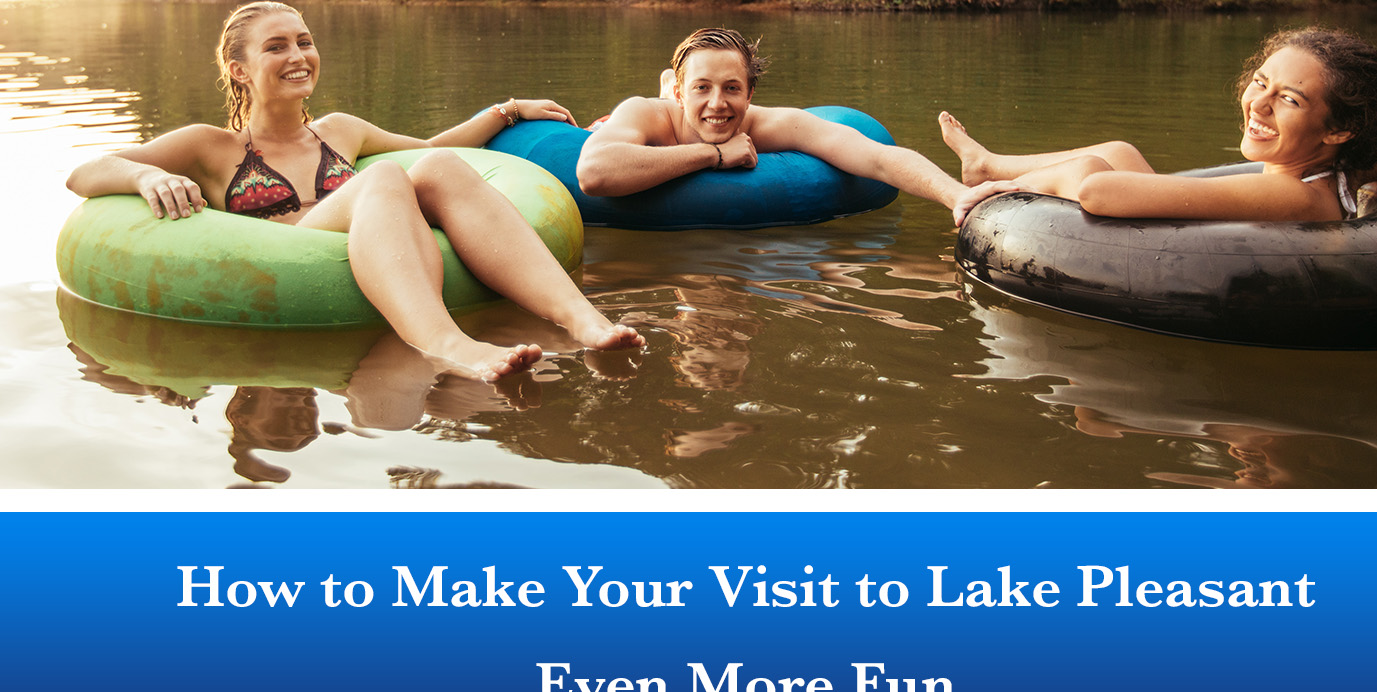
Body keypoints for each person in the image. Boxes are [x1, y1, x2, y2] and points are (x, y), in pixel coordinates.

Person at [66, 1, 643, 383]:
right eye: (276, 48)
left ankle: (582, 320)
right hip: (288, 254)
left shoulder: (341, 131)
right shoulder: (209, 146)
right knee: (386, 177)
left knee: (430, 167)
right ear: (239, 69)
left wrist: (509, 111)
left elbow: (435, 149)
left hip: (373, 234)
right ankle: (446, 343)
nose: (298, 56)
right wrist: (146, 175)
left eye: (304, 41)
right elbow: (84, 173)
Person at [943, 27, 1377, 227]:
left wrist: (1022, 188)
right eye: (1261, 83)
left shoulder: (1297, 196)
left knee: (1093, 168)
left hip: (1172, 260)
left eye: (1288, 99)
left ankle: (997, 176)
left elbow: (1095, 193)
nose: (1258, 105)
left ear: (1339, 129)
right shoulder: (1342, 161)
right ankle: (984, 162)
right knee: (1121, 148)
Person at [575, 27, 969, 213]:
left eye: (732, 88)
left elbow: (876, 156)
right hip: (640, 123)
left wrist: (955, 196)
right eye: (701, 88)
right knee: (645, 112)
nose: (718, 104)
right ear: (680, 95)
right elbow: (592, 174)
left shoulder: (769, 125)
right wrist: (712, 155)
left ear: (750, 94)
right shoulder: (645, 112)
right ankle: (667, 82)